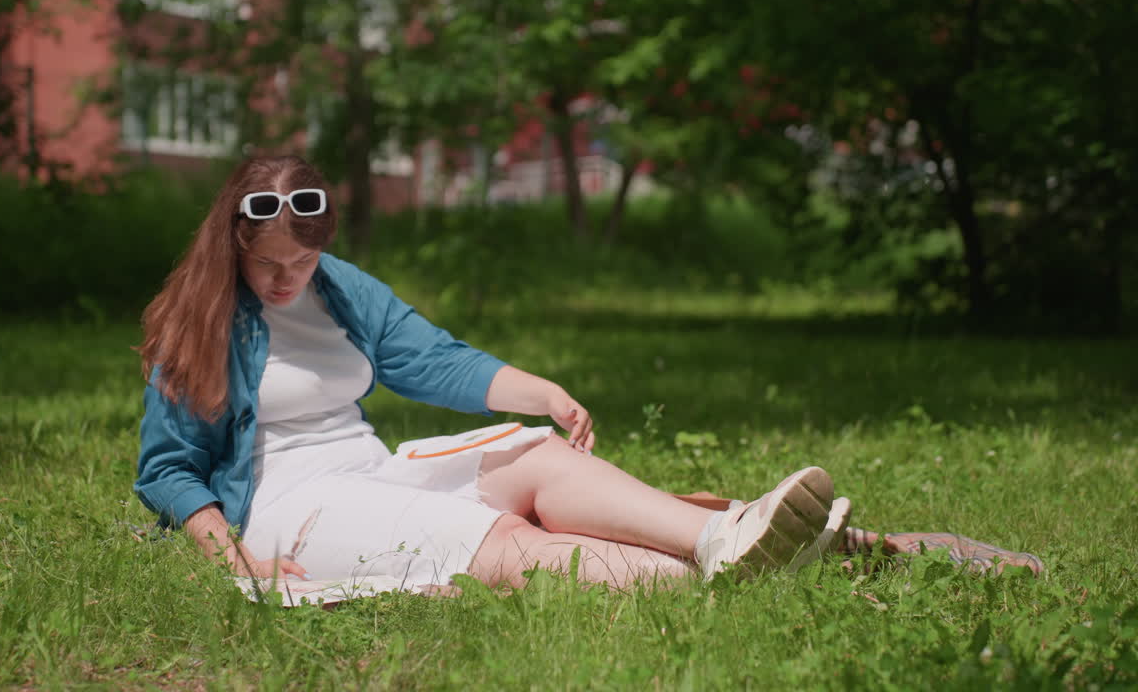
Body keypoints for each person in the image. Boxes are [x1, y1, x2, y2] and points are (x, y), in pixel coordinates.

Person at [135, 155, 850, 591]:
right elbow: (168, 470)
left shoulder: (341, 288)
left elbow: (431, 357)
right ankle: (706, 577)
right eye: (269, 264)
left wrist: (544, 394)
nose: (289, 278)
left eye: (304, 261)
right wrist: (236, 561)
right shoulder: (197, 322)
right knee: (507, 538)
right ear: (234, 241)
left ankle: (720, 542)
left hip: (373, 472)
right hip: (287, 508)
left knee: (538, 453)